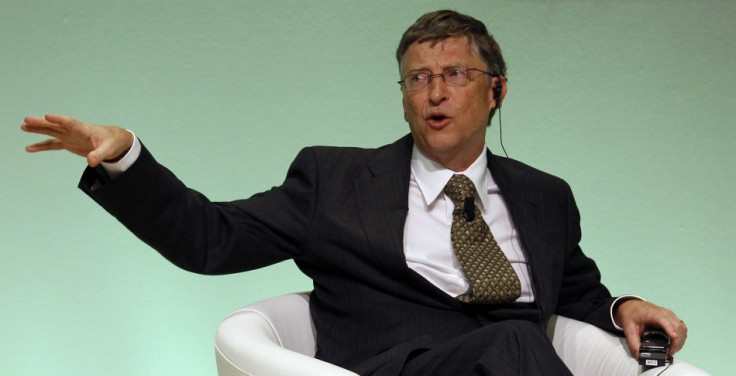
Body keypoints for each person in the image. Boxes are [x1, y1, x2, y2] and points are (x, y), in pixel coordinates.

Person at [21, 9, 686, 376]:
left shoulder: (545, 196)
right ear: (402, 98)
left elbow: (573, 294)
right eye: (416, 78)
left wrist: (624, 306)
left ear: (497, 91)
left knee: (519, 348)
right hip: (389, 370)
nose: (433, 92)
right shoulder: (332, 180)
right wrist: (126, 162)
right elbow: (209, 240)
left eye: (454, 73)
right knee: (514, 345)